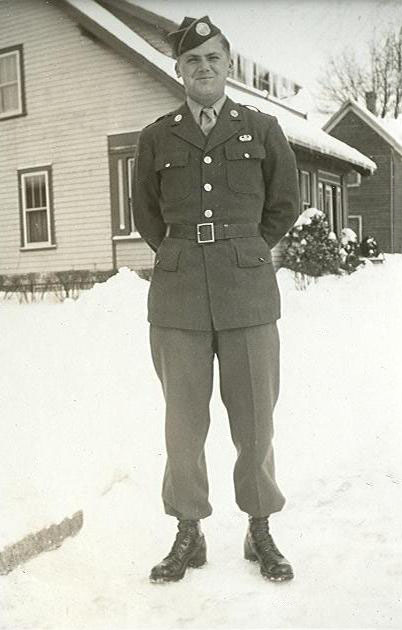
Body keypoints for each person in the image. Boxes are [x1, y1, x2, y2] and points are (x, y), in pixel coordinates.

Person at [133, 15, 300, 584]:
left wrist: (243, 250)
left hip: (247, 293)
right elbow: (148, 217)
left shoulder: (262, 128)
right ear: (178, 70)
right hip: (178, 298)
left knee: (255, 418)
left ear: (228, 66)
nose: (202, 69)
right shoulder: (157, 136)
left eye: (212, 59)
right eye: (191, 61)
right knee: (183, 423)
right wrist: (188, 253)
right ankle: (189, 531)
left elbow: (282, 205)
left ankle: (259, 529)